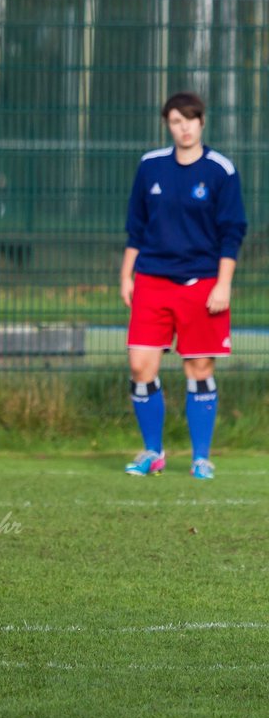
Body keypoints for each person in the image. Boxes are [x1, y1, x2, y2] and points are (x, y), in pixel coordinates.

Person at [121, 92, 246, 479]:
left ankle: (200, 458)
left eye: (191, 119)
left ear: (202, 122)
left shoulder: (220, 171)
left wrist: (222, 284)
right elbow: (136, 227)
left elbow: (232, 232)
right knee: (141, 367)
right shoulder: (150, 166)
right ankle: (153, 453)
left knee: (199, 367)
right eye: (176, 120)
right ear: (167, 124)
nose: (184, 127)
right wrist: (127, 275)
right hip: (152, 280)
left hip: (203, 282)